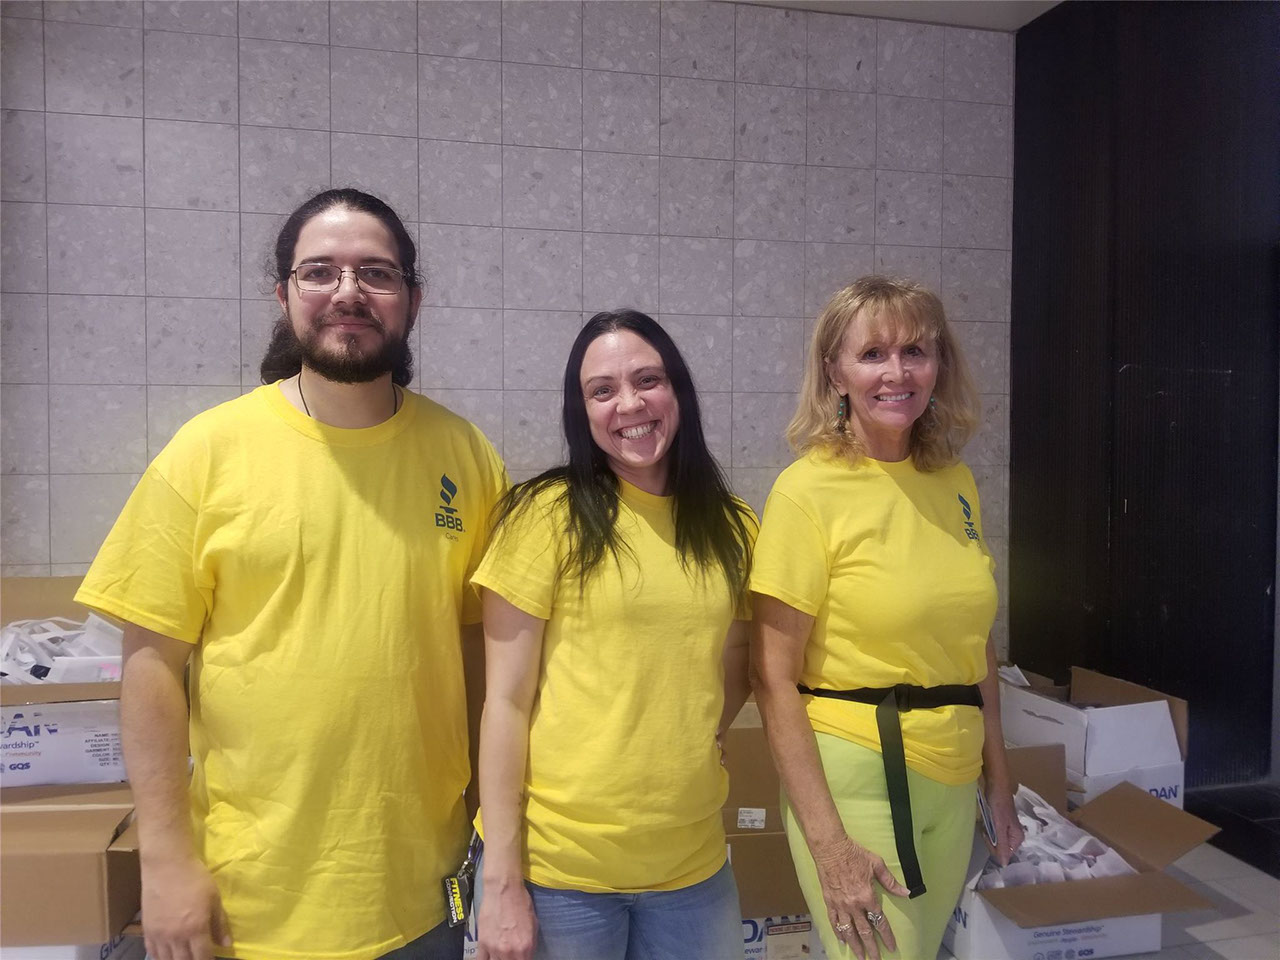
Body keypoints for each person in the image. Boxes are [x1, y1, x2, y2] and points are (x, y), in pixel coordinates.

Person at [75, 189, 507, 960]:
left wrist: (496, 843)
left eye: (376, 272)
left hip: (426, 898)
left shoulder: (466, 457)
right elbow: (149, 669)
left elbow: (484, 662)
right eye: (320, 272)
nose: (348, 291)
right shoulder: (206, 452)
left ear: (413, 298)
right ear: (284, 296)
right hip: (253, 905)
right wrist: (166, 863)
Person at [749, 276, 1024, 960]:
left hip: (953, 778)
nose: (897, 372)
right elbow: (772, 677)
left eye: (916, 351)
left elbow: (975, 649)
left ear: (940, 366)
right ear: (834, 373)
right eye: (872, 354)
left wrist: (999, 781)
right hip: (859, 773)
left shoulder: (954, 483)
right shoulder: (807, 491)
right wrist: (828, 844)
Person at [471, 310, 756, 960]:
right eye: (602, 390)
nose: (629, 404)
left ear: (676, 391)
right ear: (583, 411)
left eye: (647, 380)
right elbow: (505, 703)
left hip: (693, 867)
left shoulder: (732, 526)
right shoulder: (543, 516)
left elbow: (739, 654)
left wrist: (696, 733)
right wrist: (502, 880)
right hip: (559, 872)